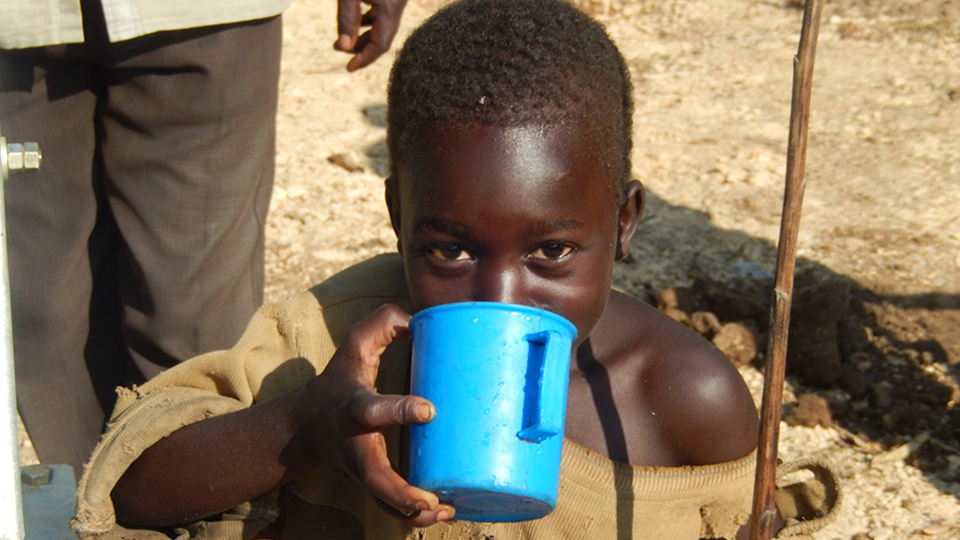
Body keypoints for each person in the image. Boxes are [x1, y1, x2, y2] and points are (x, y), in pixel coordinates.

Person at [70, 0, 834, 538]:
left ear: (625, 222)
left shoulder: (681, 397)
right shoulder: (333, 345)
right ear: (398, 215)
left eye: (552, 252)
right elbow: (131, 494)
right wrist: (304, 424)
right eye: (450, 249)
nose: (498, 296)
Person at [0, 0, 408, 473]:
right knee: (43, 306)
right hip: (19, 27)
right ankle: (91, 506)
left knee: (198, 332)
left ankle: (188, 513)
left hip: (200, 17)